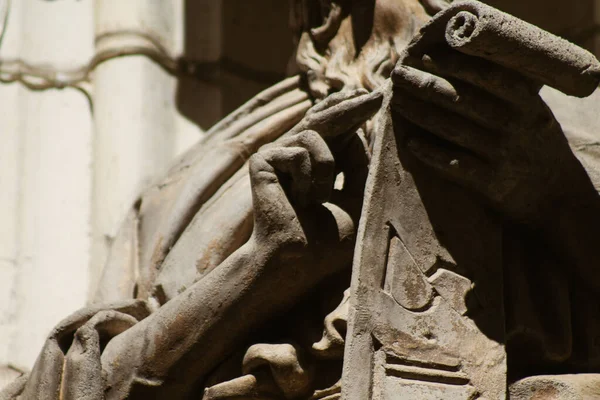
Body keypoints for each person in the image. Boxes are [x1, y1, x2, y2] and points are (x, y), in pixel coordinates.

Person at [2, 0, 600, 398]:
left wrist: (556, 197)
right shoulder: (193, 187)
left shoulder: (575, 127)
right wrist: (263, 264)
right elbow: (64, 388)